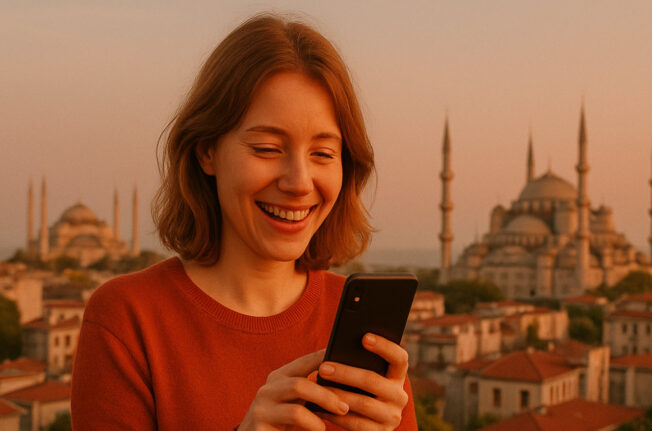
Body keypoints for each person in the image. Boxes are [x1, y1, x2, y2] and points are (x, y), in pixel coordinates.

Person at [70, 13, 417, 431]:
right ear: (207, 151)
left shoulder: (362, 329)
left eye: (323, 154)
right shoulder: (127, 318)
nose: (299, 182)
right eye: (267, 148)